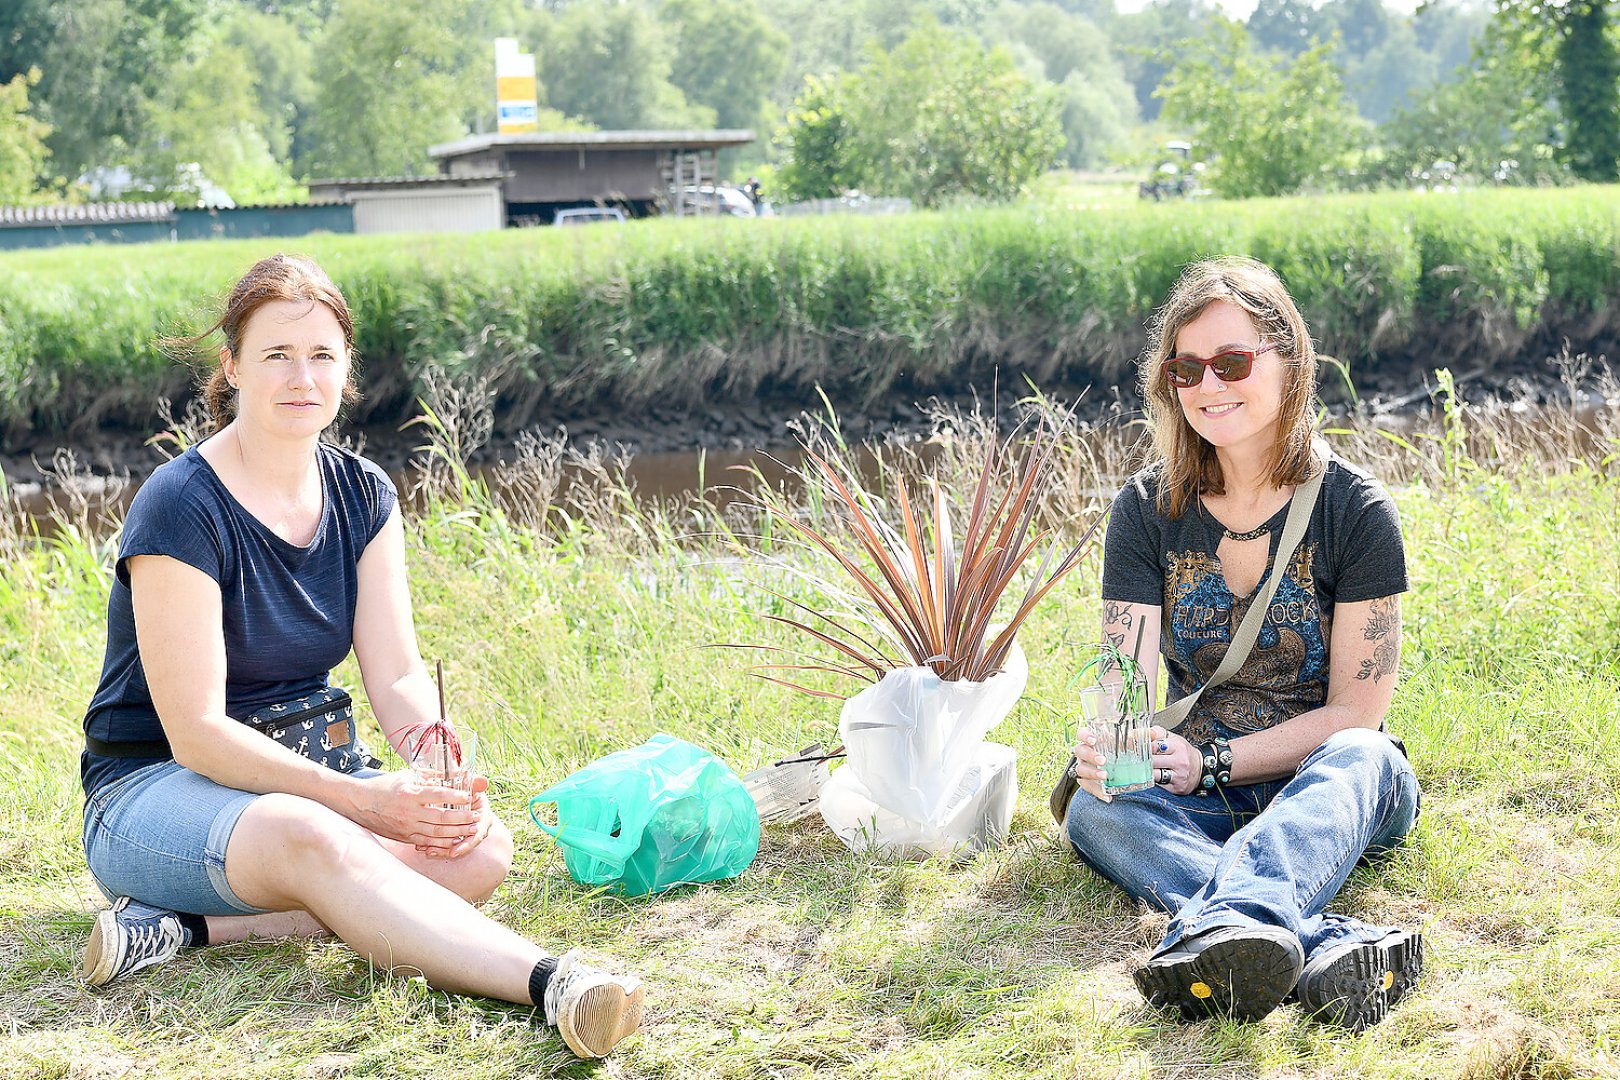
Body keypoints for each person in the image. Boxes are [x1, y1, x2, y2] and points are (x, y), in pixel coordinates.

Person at [78, 254, 644, 1060]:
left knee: (480, 845)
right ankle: (556, 985)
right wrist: (362, 801)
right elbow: (197, 732)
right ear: (233, 366)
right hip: (152, 793)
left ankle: (185, 929)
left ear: (347, 373)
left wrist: (430, 755)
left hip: (309, 777)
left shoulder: (363, 493)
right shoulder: (181, 503)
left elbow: (398, 675)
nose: (300, 375)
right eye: (276, 354)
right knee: (313, 834)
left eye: (322, 356)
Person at [1061, 256, 1423, 1031]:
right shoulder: (1147, 508)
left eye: (1231, 362)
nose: (1208, 386)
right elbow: (1126, 680)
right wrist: (1112, 748)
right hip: (1202, 794)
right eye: (1186, 369)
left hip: (1332, 787)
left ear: (1290, 362)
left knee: (1366, 754)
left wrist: (1213, 760)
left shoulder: (1356, 512)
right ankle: (1313, 944)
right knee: (1093, 812)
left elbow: (1356, 715)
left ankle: (1233, 924)